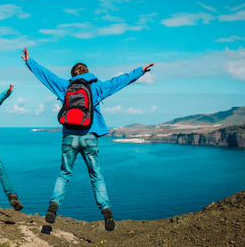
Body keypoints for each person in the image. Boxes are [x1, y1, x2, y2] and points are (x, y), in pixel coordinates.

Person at [21, 47, 153, 231]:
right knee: (96, 175)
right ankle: (106, 210)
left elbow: (47, 76)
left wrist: (29, 61)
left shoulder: (65, 86)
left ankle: (53, 205)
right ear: (88, 72)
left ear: (72, 74)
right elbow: (119, 81)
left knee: (64, 174)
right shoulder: (97, 87)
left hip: (69, 137)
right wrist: (139, 71)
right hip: (89, 136)